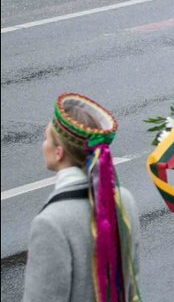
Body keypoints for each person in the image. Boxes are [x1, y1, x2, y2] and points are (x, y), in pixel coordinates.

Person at [22, 93, 140, 302]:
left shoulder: (50, 223)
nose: (43, 145)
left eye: (46, 138)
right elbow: (131, 276)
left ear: (59, 152)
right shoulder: (124, 199)